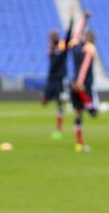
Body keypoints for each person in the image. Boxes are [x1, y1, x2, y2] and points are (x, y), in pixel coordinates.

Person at [41, 9, 73, 139]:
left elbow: (68, 37)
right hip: (51, 79)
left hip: (60, 79)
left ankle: (58, 129)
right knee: (44, 101)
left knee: (60, 104)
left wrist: (71, 22)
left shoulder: (62, 47)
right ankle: (58, 97)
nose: (52, 38)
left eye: (53, 36)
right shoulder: (51, 49)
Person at [69, 11, 98, 153]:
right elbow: (85, 66)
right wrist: (80, 82)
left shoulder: (76, 45)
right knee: (92, 111)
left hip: (74, 82)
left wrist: (84, 19)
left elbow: (76, 32)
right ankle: (90, 106)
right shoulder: (89, 48)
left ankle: (79, 143)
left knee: (78, 114)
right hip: (83, 84)